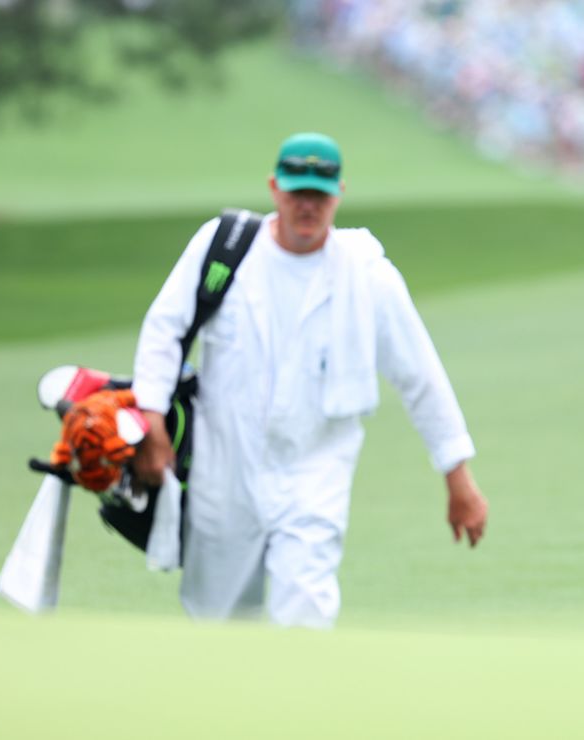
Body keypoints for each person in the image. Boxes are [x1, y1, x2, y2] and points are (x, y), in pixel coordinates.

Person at [130, 132, 488, 628]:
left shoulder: (369, 277)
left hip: (315, 473)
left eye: (319, 195)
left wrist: (458, 477)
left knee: (305, 613)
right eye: (297, 192)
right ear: (275, 188)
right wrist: (150, 419)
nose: (308, 206)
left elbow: (419, 374)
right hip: (225, 467)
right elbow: (164, 330)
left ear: (339, 193)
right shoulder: (224, 249)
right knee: (218, 622)